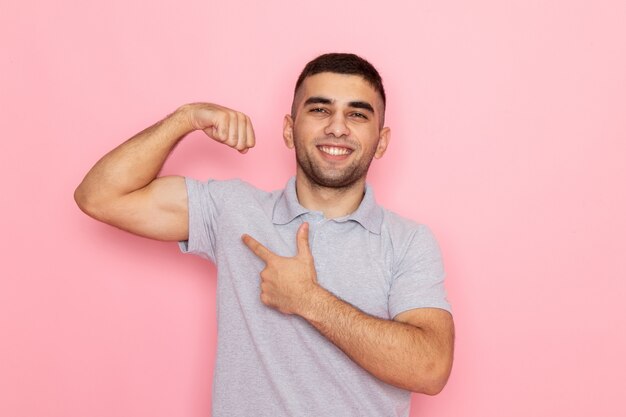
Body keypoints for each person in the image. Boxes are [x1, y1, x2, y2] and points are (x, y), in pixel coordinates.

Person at [75, 53, 454, 417]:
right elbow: (100, 197)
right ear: (289, 130)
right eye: (320, 109)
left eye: (356, 114)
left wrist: (309, 300)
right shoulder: (233, 210)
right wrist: (185, 118)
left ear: (382, 141)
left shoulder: (408, 242)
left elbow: (431, 368)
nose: (337, 127)